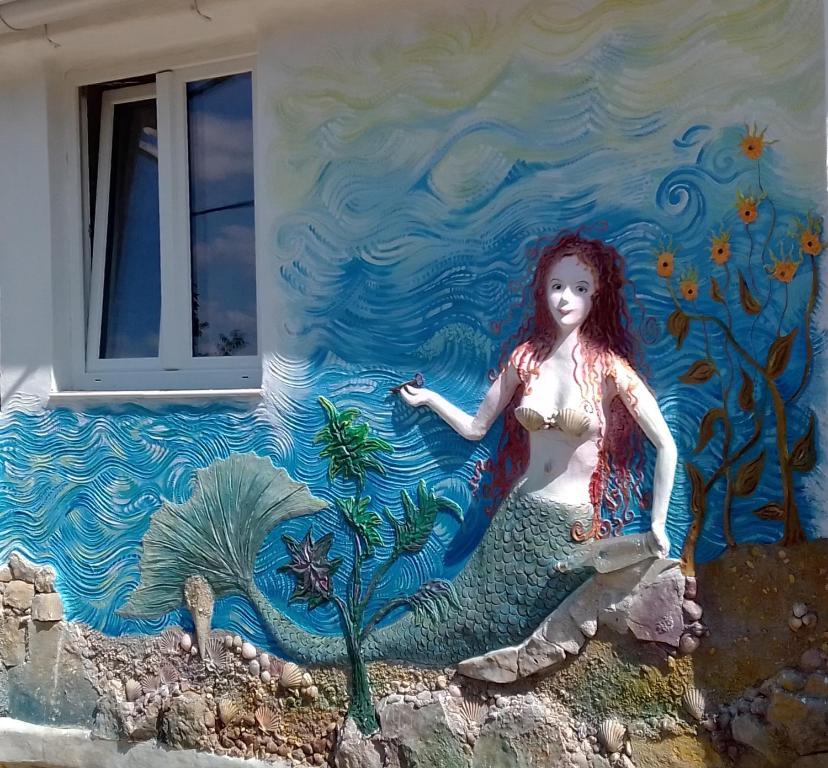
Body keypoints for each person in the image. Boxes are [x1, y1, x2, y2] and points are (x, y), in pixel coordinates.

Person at [394, 233, 678, 665]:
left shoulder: (609, 370)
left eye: (579, 288)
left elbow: (666, 444)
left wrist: (658, 522)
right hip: (517, 517)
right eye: (556, 286)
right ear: (543, 290)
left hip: (568, 527)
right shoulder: (526, 359)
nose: (565, 299)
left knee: (522, 628)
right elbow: (475, 428)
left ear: (596, 295)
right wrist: (430, 399)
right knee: (465, 618)